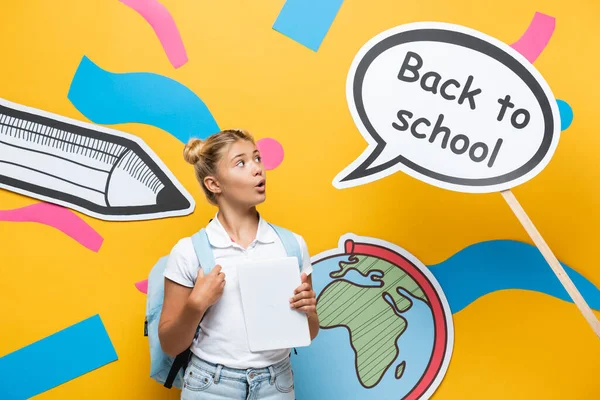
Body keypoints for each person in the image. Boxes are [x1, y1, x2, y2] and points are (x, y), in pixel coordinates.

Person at [159, 129, 319, 399]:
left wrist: (309, 312)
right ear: (214, 184)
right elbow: (170, 344)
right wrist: (196, 305)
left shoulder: (291, 245)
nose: (257, 169)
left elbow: (309, 332)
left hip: (276, 384)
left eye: (257, 158)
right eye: (241, 162)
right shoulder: (189, 252)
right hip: (209, 385)